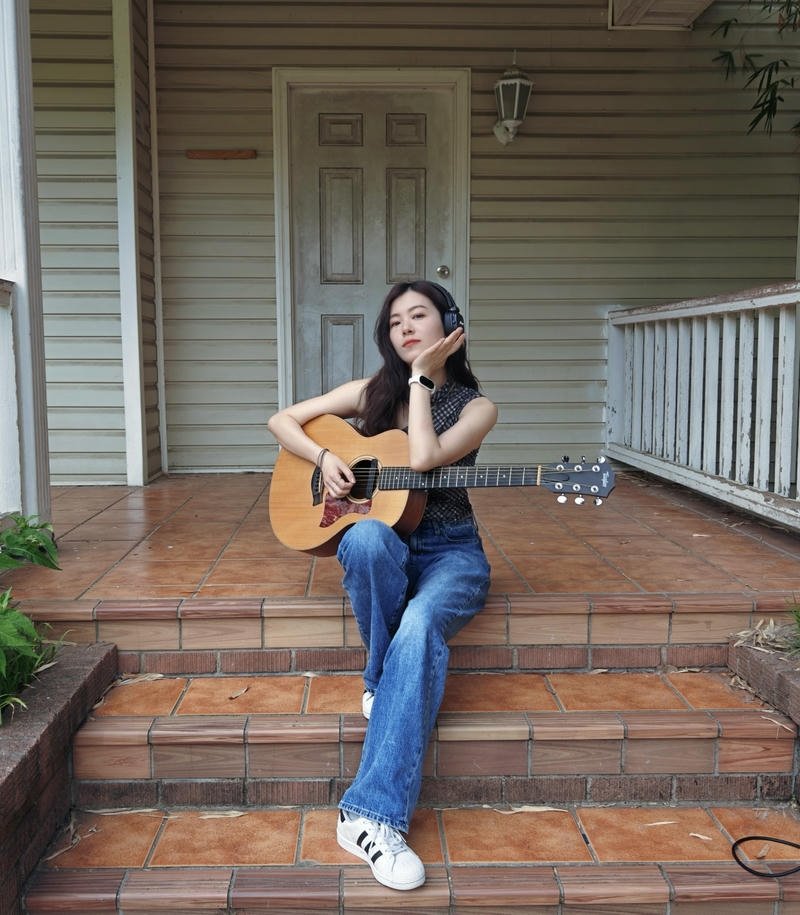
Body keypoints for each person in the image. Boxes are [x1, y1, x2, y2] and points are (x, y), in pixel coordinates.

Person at [267, 280, 497, 891]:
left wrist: (422, 379)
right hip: (387, 544)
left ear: (450, 325)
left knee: (421, 625)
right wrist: (323, 459)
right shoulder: (370, 392)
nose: (405, 329)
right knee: (366, 539)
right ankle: (380, 679)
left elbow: (421, 460)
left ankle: (367, 816)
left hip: (451, 554)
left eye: (418, 316)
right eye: (395, 322)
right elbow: (281, 419)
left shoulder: (475, 406)